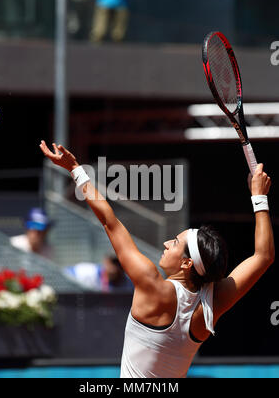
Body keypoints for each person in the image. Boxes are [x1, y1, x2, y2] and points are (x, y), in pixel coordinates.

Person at [40, 140, 274, 378]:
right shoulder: (213, 303)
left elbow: (110, 222)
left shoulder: (152, 285)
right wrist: (259, 197)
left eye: (173, 243)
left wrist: (75, 169)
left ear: (187, 263)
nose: (166, 244)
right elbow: (263, 256)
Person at [63, 253, 133, 292]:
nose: (115, 267)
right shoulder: (90, 272)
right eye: (113, 262)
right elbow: (64, 274)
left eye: (119, 264)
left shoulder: (129, 283)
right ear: (106, 261)